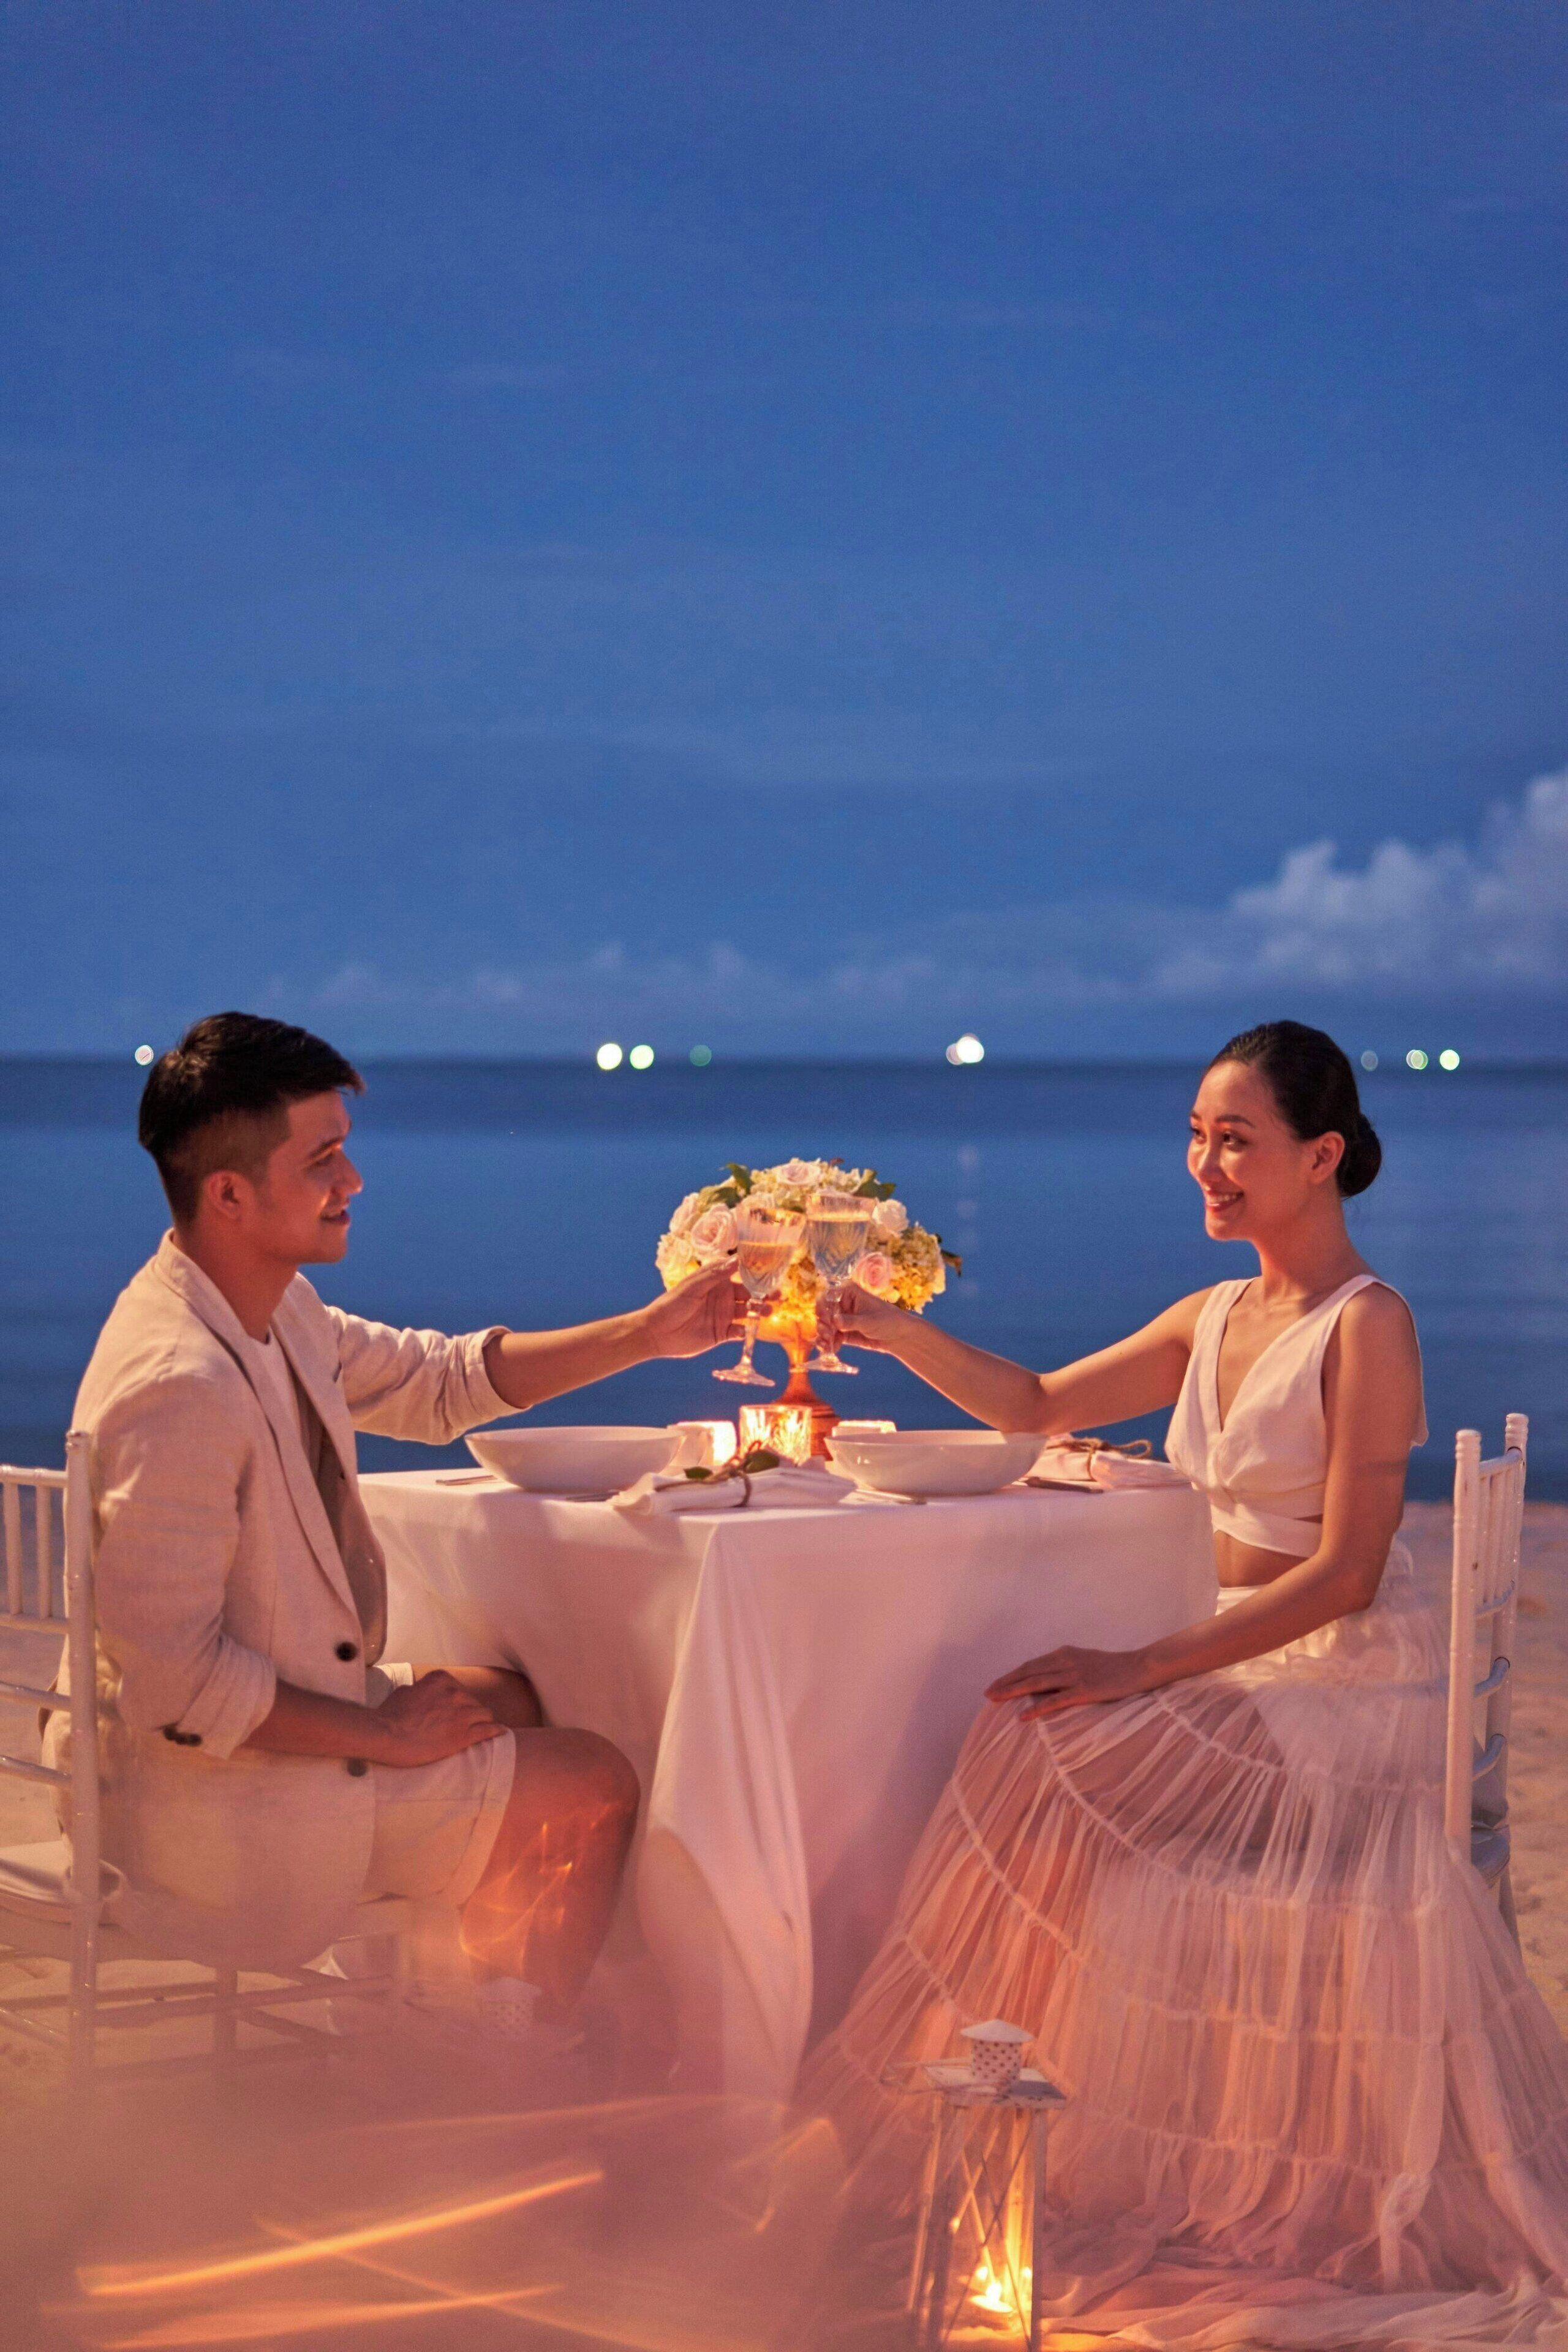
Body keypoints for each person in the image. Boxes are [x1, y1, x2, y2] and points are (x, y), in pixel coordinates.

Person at [804, 1022, 1568, 2342]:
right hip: (1226, 1643)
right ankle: (984, 2116)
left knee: (1034, 1743)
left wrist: (1135, 1666)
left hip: (1335, 1679)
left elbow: (1340, 1579)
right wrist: (884, 1329)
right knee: (1009, 1724)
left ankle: (964, 2104)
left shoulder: (1363, 1324)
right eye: (1196, 1136)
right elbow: (1033, 1403)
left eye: (1235, 1140)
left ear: (1319, 1156)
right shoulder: (1210, 1311)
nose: (1203, 1164)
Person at [51, 1012, 742, 2024]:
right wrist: (379, 1731)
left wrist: (648, 1333)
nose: (354, 1182)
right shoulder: (181, 1382)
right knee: (595, 1778)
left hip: (229, 1750)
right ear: (231, 1193)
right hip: (201, 1810)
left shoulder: (265, 1307)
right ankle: (518, 2058)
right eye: (323, 1159)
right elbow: (177, 1685)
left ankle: (468, 2014)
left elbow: (439, 1381)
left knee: (510, 1692)